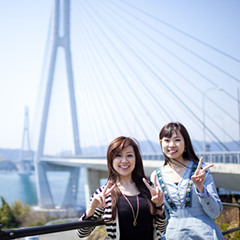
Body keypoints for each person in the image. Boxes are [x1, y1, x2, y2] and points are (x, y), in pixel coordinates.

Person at [76, 136, 167, 240]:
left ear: (136, 159)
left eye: (129, 155)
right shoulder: (104, 193)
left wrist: (159, 207)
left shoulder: (149, 189)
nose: (124, 160)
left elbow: (161, 229)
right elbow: (82, 233)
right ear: (111, 160)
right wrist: (91, 208)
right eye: (118, 156)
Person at [150, 122, 224, 240]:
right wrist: (158, 206)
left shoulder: (200, 171)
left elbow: (215, 213)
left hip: (205, 234)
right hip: (173, 235)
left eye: (177, 140)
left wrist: (201, 188)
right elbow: (161, 219)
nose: (172, 145)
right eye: (167, 140)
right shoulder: (156, 176)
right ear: (161, 143)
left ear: (186, 143)